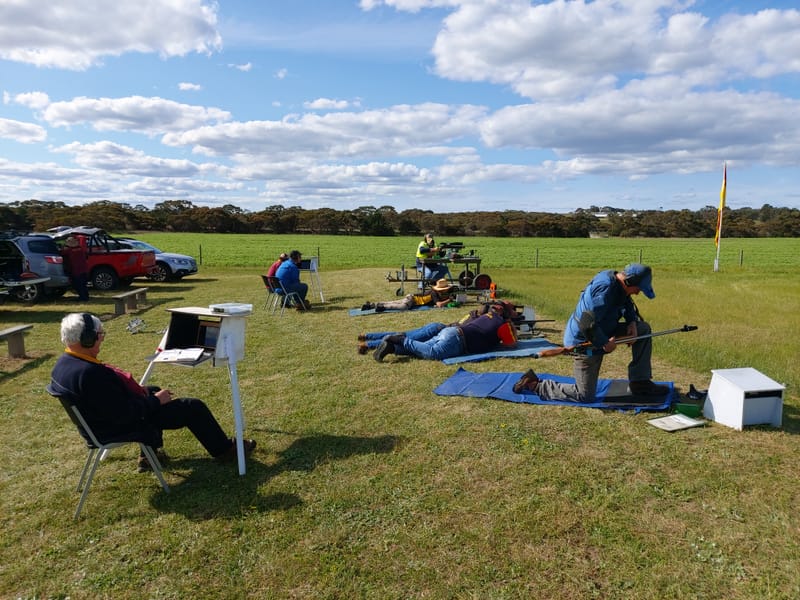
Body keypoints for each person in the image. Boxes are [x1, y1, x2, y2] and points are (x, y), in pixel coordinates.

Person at [49, 313, 256, 471]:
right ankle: (225, 451)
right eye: (99, 335)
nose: (102, 339)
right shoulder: (91, 374)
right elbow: (126, 414)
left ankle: (149, 456)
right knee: (193, 407)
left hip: (97, 424)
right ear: (86, 339)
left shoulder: (64, 364)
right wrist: (156, 401)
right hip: (115, 427)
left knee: (152, 389)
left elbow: (111, 402)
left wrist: (147, 393)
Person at [512, 263, 669, 401]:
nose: (638, 292)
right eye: (638, 289)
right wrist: (604, 344)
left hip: (604, 329)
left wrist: (632, 322)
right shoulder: (605, 289)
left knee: (643, 329)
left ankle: (640, 383)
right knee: (584, 395)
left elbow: (627, 300)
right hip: (584, 339)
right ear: (629, 281)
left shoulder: (620, 284)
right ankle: (535, 385)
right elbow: (586, 323)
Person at [373, 310, 515, 362]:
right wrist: (513, 328)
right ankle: (399, 339)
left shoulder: (488, 316)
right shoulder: (503, 324)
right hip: (458, 341)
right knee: (432, 353)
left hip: (451, 332)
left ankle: (392, 348)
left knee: (422, 349)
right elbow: (511, 345)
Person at [362, 278, 457, 312]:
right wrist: (449, 300)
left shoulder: (435, 292)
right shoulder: (434, 293)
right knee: (402, 307)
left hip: (411, 297)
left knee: (394, 302)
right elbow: (439, 305)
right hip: (412, 300)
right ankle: (381, 306)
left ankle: (372, 305)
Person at [61, 236, 90, 301]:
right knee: (83, 284)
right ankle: (86, 296)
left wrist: (63, 247)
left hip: (76, 270)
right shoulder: (80, 249)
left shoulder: (69, 250)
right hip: (84, 269)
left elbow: (62, 253)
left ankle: (83, 298)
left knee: (78, 284)